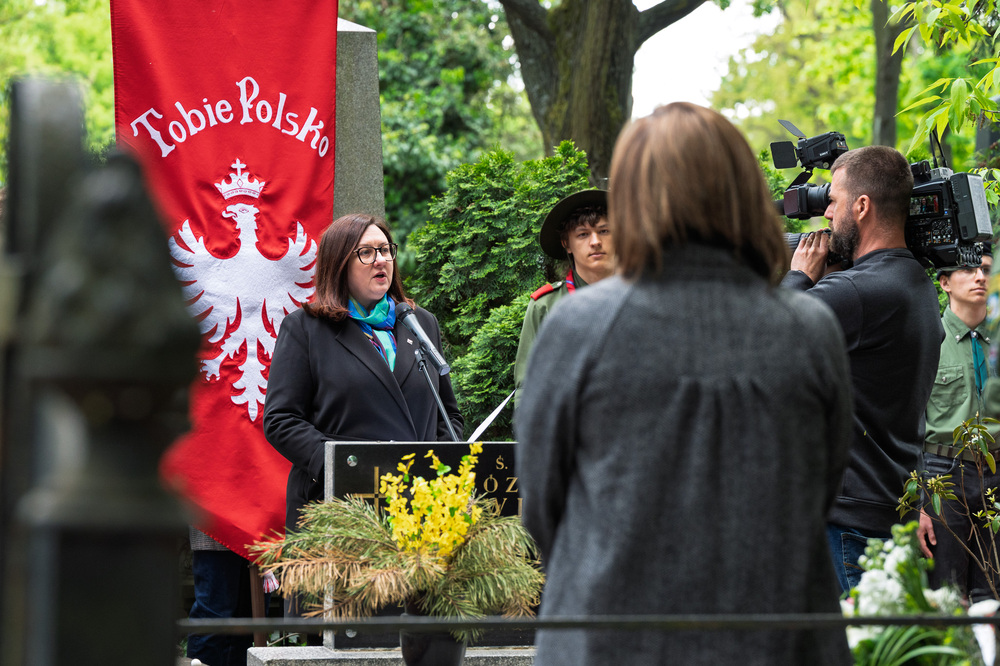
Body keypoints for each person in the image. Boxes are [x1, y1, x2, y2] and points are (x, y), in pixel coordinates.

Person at [515, 102, 853, 665]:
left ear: (634, 202)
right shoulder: (808, 329)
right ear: (744, 194)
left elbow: (544, 501)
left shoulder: (581, 327)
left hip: (611, 634)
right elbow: (821, 486)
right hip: (773, 635)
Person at [263, 212, 463, 608]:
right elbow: (281, 419)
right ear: (339, 263)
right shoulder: (306, 329)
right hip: (341, 511)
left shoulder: (419, 323)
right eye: (366, 253)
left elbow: (448, 415)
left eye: (385, 250)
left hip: (419, 511)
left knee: (420, 631)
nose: (380, 260)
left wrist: (439, 465)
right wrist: (343, 465)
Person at [782, 145, 943, 593]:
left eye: (833, 200)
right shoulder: (913, 281)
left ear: (862, 206)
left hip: (849, 525)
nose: (826, 213)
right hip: (887, 507)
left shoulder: (856, 292)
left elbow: (767, 338)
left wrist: (798, 278)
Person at [918, 245, 1000, 602]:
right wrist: (920, 502)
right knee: (947, 595)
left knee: (993, 595)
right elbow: (907, 425)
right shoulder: (926, 339)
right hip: (943, 475)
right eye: (968, 269)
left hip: (996, 471)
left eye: (986, 269)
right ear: (945, 282)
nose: (980, 277)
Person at [513, 189, 613, 404]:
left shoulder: (643, 298)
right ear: (566, 243)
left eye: (604, 231)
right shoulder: (545, 307)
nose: (595, 241)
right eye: (583, 234)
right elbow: (528, 389)